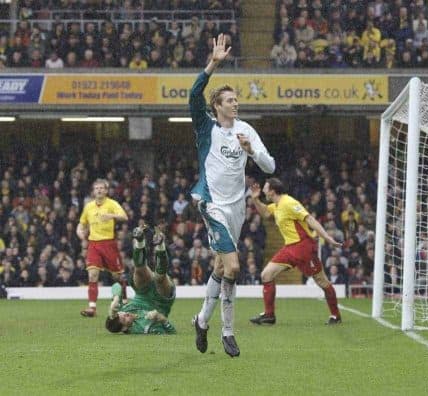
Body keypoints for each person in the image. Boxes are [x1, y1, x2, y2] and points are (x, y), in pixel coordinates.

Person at [189, 34, 276, 357]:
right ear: (217, 106)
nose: (235, 103)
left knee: (222, 268)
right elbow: (193, 93)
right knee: (235, 267)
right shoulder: (205, 127)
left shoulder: (246, 130)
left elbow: (270, 165)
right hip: (211, 204)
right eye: (229, 100)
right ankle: (227, 331)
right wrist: (213, 64)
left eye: (237, 100)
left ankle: (201, 320)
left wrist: (251, 150)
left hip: (236, 206)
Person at [249, 178, 343, 325]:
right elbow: (266, 213)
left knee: (321, 281)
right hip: (291, 248)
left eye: (266, 188)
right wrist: (255, 199)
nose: (264, 190)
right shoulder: (277, 205)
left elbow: (310, 219)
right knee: (266, 275)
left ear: (273, 191)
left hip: (304, 247)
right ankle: (269, 315)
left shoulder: (289, 203)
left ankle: (336, 316)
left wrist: (327, 237)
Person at [105, 226, 176, 334]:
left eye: (121, 314)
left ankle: (139, 240)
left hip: (142, 292)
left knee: (139, 271)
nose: (125, 314)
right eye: (124, 319)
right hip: (161, 302)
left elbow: (117, 286)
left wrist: (115, 299)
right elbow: (172, 333)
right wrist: (162, 318)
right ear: (124, 329)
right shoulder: (143, 328)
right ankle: (160, 245)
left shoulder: (121, 310)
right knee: (160, 278)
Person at [77, 178, 128, 317]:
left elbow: (125, 217)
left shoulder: (112, 204)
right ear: (93, 191)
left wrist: (110, 216)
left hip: (109, 244)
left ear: (106, 190)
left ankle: (124, 301)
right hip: (94, 244)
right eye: (96, 188)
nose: (99, 190)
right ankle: (92, 308)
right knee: (93, 274)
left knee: (117, 276)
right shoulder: (88, 206)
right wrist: (80, 231)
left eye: (102, 188)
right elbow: (82, 223)